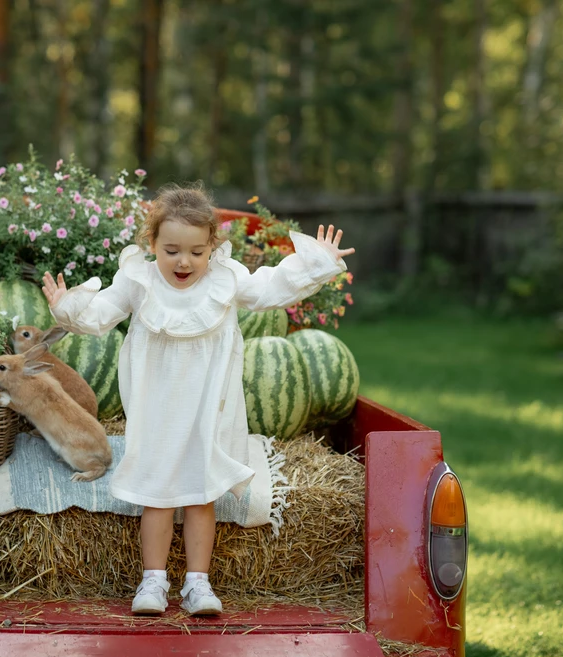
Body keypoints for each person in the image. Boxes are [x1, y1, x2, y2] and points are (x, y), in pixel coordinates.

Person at [41, 183, 354, 616]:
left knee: (200, 494)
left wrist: (316, 263)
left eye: (195, 251)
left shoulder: (225, 280)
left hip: (209, 407)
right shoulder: (139, 281)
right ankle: (153, 582)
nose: (183, 262)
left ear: (213, 247)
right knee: (157, 493)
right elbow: (99, 315)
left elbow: (271, 288)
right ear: (151, 244)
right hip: (157, 407)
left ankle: (197, 584)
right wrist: (67, 308)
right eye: (171, 250)